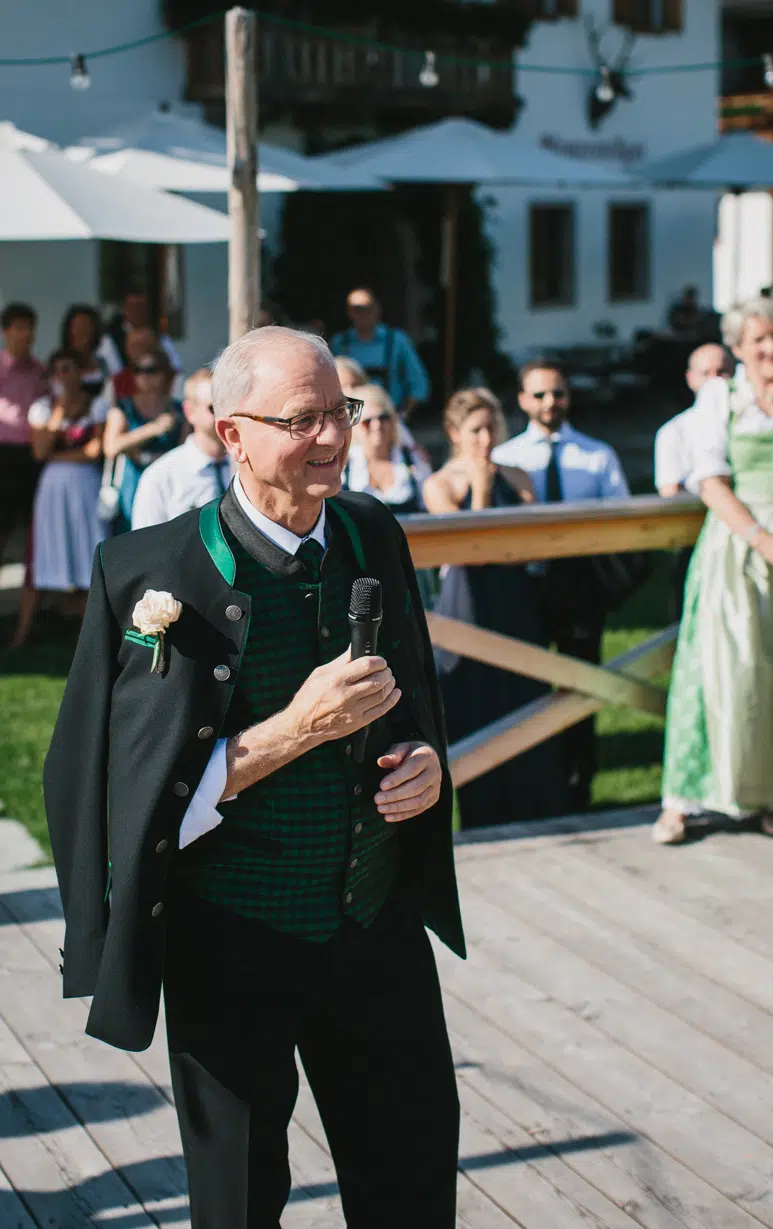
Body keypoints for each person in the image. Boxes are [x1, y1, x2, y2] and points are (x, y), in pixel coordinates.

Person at [44, 326, 463, 1229]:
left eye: (340, 411)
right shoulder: (148, 571)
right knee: (236, 1205)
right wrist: (293, 730)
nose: (332, 437)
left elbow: (417, 700)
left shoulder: (374, 531)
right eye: (302, 418)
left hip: (375, 924)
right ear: (230, 433)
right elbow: (120, 784)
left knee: (414, 1185)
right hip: (232, 940)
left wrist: (427, 763)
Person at [655, 295, 773, 845]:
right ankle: (689, 796)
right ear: (739, 348)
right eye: (759, 340)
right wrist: (768, 542)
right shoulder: (721, 399)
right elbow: (711, 482)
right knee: (728, 668)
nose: (772, 348)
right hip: (739, 548)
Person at [424, 388, 568, 827]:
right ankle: (483, 813)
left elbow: (535, 541)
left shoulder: (519, 476)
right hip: (466, 605)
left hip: (515, 601)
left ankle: (540, 807)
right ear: (454, 433)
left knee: (525, 698)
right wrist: (481, 491)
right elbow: (468, 547)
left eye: (491, 428)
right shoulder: (440, 484)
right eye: (475, 430)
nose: (485, 439)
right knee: (476, 703)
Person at [492, 361, 630, 811]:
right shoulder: (507, 459)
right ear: (522, 400)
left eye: (558, 393)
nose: (550, 403)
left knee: (582, 684)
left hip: (579, 588)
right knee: (526, 686)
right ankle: (534, 783)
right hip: (526, 587)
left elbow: (625, 522)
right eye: (540, 395)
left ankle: (579, 780)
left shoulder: (596, 456)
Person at [13, 350, 109, 647]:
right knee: (44, 549)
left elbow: (94, 451)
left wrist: (57, 455)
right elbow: (40, 451)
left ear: (79, 372)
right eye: (57, 371)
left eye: (68, 369)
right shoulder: (44, 409)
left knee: (87, 548)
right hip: (52, 488)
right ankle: (23, 632)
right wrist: (60, 412)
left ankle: (91, 633)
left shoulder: (97, 405)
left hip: (85, 485)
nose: (62, 377)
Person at [131, 369, 232, 529]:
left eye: (228, 406)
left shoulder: (247, 467)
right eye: (213, 408)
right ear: (189, 411)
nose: (224, 415)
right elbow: (146, 547)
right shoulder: (161, 476)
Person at [103, 347, 185, 532]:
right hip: (131, 482)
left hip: (168, 481)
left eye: (152, 370)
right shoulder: (123, 407)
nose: (145, 376)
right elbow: (111, 447)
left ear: (166, 374)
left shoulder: (179, 409)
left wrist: (149, 457)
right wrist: (153, 429)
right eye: (138, 370)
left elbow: (185, 449)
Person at [331, 287, 429, 417]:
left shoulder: (396, 340)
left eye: (368, 308)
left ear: (378, 309)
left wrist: (402, 415)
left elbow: (419, 384)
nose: (364, 314)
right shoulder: (339, 343)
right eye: (357, 310)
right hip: (351, 420)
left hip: (388, 418)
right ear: (349, 312)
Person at [0, 303, 46, 575]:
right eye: (18, 327)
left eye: (29, 327)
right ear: (6, 331)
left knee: (30, 529)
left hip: (30, 455)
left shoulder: (39, 370)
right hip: (2, 453)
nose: (24, 334)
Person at [655, 345, 733, 498]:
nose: (714, 380)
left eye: (721, 372)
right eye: (705, 373)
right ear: (690, 378)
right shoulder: (672, 432)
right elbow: (670, 492)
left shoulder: (751, 420)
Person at [344, 383, 430, 515]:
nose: (377, 425)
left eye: (383, 418)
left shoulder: (414, 459)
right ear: (354, 427)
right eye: (367, 422)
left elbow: (429, 508)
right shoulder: (344, 465)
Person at [99, 290, 182, 376]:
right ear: (124, 309)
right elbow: (112, 371)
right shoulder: (111, 338)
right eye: (132, 307)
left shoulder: (160, 336)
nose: (137, 311)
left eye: (141, 307)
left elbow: (176, 367)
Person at [60, 304, 109, 399]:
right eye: (76, 326)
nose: (80, 331)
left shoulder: (105, 365)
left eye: (85, 326)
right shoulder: (58, 365)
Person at [111, 326, 159, 403]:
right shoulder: (116, 381)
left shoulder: (172, 378)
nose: (137, 350)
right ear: (126, 349)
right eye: (133, 345)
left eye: (142, 345)